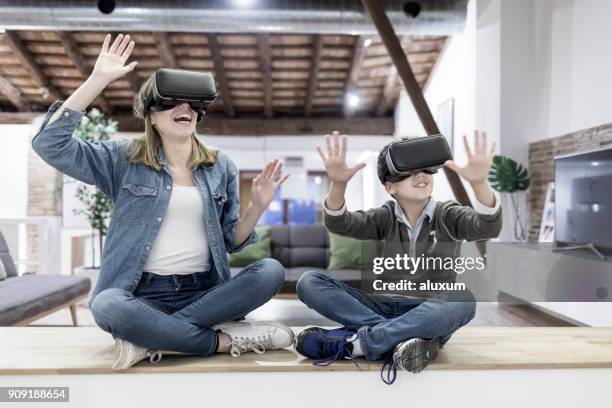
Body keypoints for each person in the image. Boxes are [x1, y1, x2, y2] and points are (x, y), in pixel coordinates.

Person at [31, 33, 294, 370]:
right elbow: (49, 145)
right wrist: (98, 79)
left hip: (204, 293)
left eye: (192, 103)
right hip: (140, 296)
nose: (185, 108)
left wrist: (257, 206)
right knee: (107, 304)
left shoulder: (221, 165)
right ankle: (219, 341)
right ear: (151, 115)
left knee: (270, 270)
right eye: (172, 102)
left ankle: (153, 339)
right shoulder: (123, 158)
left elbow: (232, 242)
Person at [295, 131, 502, 383]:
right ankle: (400, 338)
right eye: (409, 171)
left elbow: (488, 227)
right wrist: (338, 184)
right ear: (390, 187)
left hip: (428, 310)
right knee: (308, 282)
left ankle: (363, 342)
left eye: (426, 169)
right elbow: (340, 223)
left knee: (463, 300)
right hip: (381, 306)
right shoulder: (383, 217)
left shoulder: (449, 215)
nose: (420, 174)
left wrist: (479, 184)